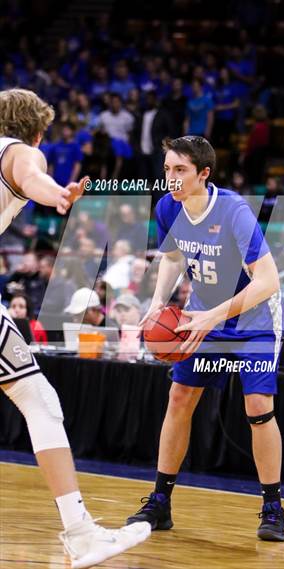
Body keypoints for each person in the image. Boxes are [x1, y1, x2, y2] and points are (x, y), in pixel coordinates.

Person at [0, 88, 150, 568]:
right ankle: (82, 534)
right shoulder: (22, 150)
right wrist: (59, 194)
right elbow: (31, 175)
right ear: (38, 130)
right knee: (38, 400)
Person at [126, 136, 284, 541]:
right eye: (166, 170)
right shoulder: (168, 207)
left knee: (258, 406)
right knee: (179, 398)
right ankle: (160, 503)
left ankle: (273, 507)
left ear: (203, 173)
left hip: (253, 317)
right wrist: (158, 302)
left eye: (180, 170)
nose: (171, 179)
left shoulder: (233, 211)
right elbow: (174, 257)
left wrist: (214, 316)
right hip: (204, 310)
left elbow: (268, 281)